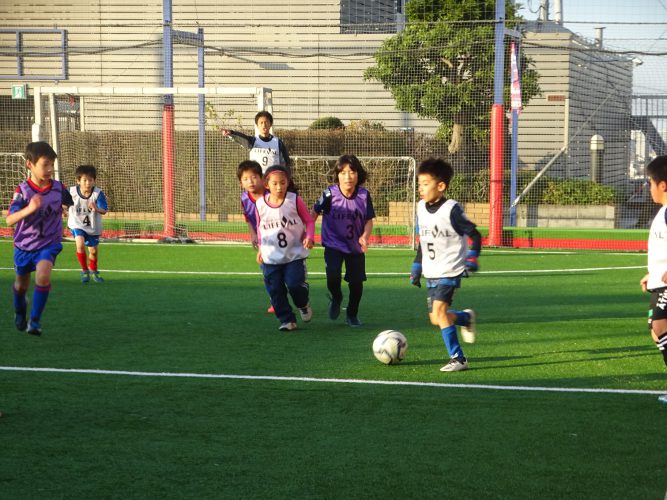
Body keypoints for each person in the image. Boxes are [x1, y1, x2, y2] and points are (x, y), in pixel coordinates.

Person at [409, 157, 481, 372]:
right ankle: (466, 318)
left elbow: (475, 234)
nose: (420, 189)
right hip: (431, 270)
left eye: (425, 184)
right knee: (436, 318)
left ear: (441, 186)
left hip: (450, 269)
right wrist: (416, 266)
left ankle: (459, 358)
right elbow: (424, 240)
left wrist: (473, 257)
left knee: (440, 312)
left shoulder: (452, 209)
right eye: (419, 184)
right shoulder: (421, 208)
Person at [7, 141, 74, 335]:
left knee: (43, 277)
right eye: (45, 164)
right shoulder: (23, 191)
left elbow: (68, 201)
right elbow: (10, 219)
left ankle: (34, 322)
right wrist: (30, 209)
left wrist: (67, 209)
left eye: (52, 165)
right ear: (30, 164)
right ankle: (20, 312)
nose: (49, 169)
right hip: (24, 246)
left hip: (49, 243)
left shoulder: (58, 188)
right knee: (21, 286)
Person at [312, 154, 375, 327]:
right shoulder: (329, 193)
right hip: (333, 244)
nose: (348, 176)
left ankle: (352, 314)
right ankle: (337, 296)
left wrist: (365, 237)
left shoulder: (364, 195)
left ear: (358, 174)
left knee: (356, 284)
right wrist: (308, 233)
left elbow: (369, 220)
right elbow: (314, 212)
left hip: (355, 247)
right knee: (332, 276)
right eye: (343, 172)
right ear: (337, 175)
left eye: (352, 172)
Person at [256, 165, 314, 331]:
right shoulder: (260, 204)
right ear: (267, 185)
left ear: (288, 182)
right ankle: (287, 320)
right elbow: (260, 228)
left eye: (282, 183)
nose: (279, 187)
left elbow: (309, 221)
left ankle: (302, 303)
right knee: (275, 289)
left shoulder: (294, 200)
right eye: (274, 183)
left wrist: (309, 236)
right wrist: (261, 248)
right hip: (271, 256)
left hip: (293, 254)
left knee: (294, 284)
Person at [639, 155, 667, 405]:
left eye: (650, 183)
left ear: (663, 185)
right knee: (656, 330)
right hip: (660, 281)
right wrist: (654, 273)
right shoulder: (663, 212)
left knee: (660, 327)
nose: (649, 188)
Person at [238, 159, 275, 313]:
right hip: (263, 240)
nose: (250, 182)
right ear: (241, 183)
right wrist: (252, 233)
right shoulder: (244, 198)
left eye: (254, 177)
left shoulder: (271, 194)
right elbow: (248, 217)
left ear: (262, 178)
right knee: (267, 272)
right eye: (245, 179)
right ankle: (276, 300)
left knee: (288, 274)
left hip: (279, 235)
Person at [67, 165, 108, 283]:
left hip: (92, 227)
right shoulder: (72, 192)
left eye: (90, 180)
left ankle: (94, 271)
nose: (88, 183)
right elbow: (62, 201)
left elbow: (104, 210)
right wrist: (63, 207)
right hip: (77, 224)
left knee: (93, 252)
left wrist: (96, 208)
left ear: (94, 180)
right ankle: (84, 271)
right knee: (79, 244)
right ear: (78, 181)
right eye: (85, 180)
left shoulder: (98, 193)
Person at [222, 111, 291, 172]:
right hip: (256, 179)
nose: (264, 125)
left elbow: (286, 163)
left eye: (266, 122)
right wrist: (231, 133)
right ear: (257, 125)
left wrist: (286, 177)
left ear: (270, 124)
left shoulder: (278, 142)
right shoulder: (252, 141)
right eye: (261, 123)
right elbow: (241, 138)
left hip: (271, 180)